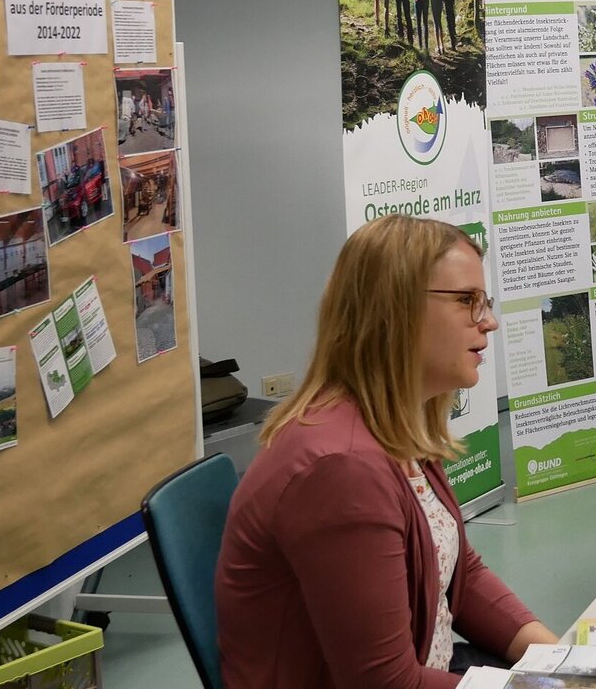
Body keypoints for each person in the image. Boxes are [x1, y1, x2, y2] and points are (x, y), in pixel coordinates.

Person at [218, 215, 556, 688]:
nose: (489, 320)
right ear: (393, 310)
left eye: (484, 301)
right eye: (466, 301)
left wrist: (560, 661)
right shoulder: (341, 469)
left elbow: (458, 573)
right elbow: (385, 685)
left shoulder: (393, 420)